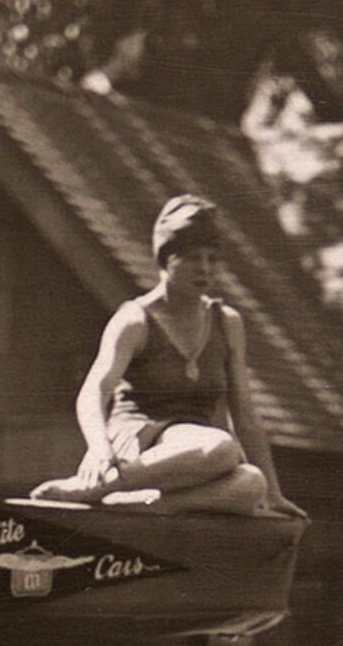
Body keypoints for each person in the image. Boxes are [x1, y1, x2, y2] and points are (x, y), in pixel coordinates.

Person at [32, 194, 283, 514]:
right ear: (166, 258)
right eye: (192, 257)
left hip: (192, 457)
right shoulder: (135, 320)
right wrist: (98, 448)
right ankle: (97, 486)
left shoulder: (227, 323)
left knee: (253, 483)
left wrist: (275, 495)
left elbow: (244, 415)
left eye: (212, 259)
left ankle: (147, 505)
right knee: (222, 447)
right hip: (138, 444)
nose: (204, 268)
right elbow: (94, 391)